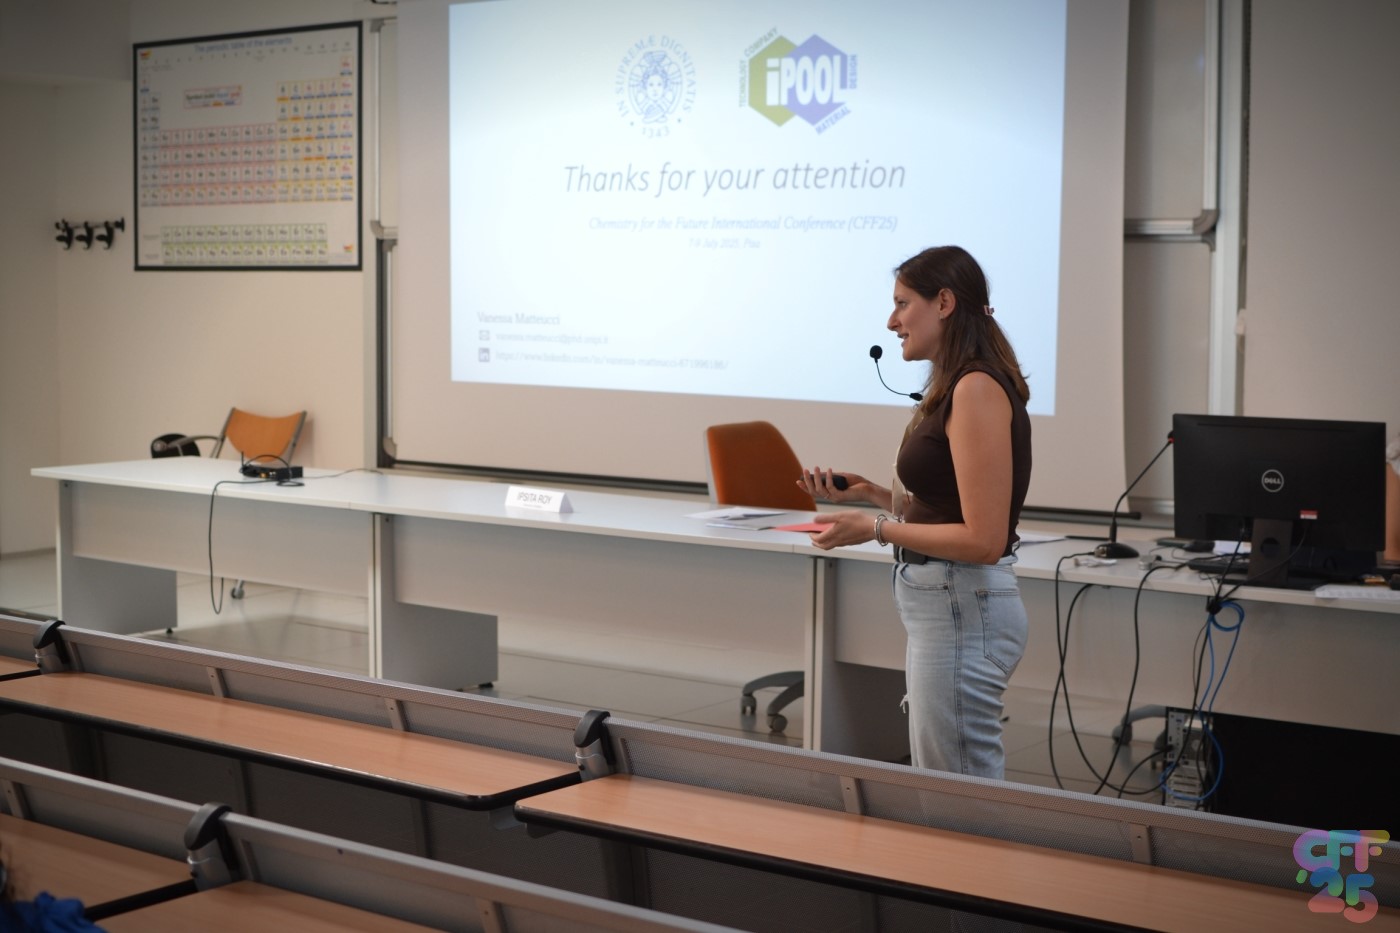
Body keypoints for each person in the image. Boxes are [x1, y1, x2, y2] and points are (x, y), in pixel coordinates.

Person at [799, 245, 1032, 780]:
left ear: (944, 303)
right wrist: (872, 495)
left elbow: (983, 540)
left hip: (962, 604)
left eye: (903, 303)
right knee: (948, 784)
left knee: (957, 795)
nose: (892, 321)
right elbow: (950, 508)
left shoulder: (975, 388)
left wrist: (876, 529)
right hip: (951, 604)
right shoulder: (960, 383)